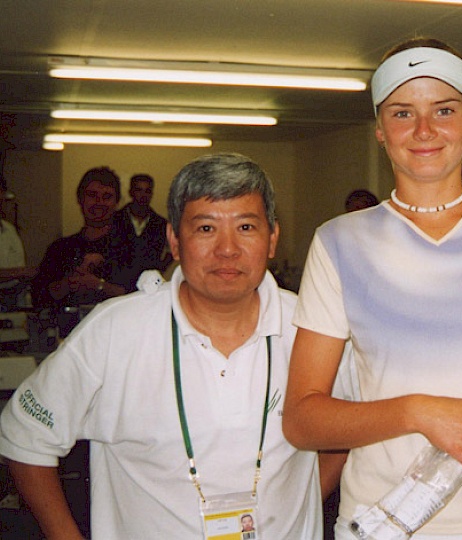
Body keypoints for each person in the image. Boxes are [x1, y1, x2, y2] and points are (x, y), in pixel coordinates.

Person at [283, 38, 462, 540]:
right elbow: (303, 419)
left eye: (444, 109)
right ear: (379, 129)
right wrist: (419, 411)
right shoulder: (339, 242)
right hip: (382, 522)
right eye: (401, 113)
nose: (423, 130)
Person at [1, 153, 325, 539]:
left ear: (272, 238)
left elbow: (344, 432)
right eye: (205, 228)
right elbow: (24, 436)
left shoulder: (314, 327)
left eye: (246, 227)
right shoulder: (115, 331)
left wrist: (299, 502)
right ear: (174, 240)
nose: (227, 249)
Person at [31, 167, 128, 309]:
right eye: (92, 195)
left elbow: (142, 298)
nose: (99, 202)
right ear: (80, 199)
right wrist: (69, 283)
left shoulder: (132, 248)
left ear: (117, 202)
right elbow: (38, 298)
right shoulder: (59, 249)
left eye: (107, 197)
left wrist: (99, 285)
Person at [112, 173, 171, 291]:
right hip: (116, 287)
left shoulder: (161, 224)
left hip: (148, 289)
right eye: (139, 190)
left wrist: (160, 268)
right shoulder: (114, 220)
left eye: (147, 191)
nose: (143, 195)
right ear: (130, 192)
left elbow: (172, 250)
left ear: (152, 194)